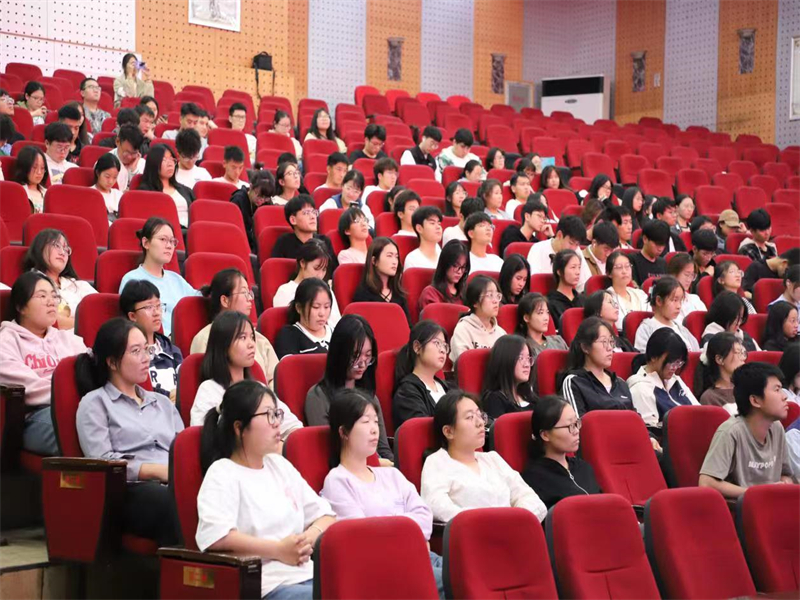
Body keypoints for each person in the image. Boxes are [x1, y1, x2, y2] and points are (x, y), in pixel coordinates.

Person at [196, 380, 335, 600]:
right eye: (269, 415)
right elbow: (217, 537)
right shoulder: (222, 472)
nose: (277, 423)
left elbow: (326, 516)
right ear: (239, 428)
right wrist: (278, 550)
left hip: (308, 575)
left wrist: (308, 538)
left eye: (277, 414)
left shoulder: (279, 465)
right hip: (266, 585)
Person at [320, 392, 445, 597]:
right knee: (457, 581)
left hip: (422, 555)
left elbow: (424, 515)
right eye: (365, 422)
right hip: (385, 566)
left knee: (478, 571)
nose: (374, 429)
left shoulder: (391, 474)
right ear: (343, 432)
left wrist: (391, 526)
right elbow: (363, 537)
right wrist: (409, 530)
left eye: (376, 422)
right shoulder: (338, 481)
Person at [75, 318, 181, 545]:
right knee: (174, 503)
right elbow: (102, 461)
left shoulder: (162, 402)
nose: (146, 358)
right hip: (131, 492)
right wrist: (158, 471)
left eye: (146, 349)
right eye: (136, 351)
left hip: (173, 480)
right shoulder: (95, 403)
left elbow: (184, 449)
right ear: (112, 362)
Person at [421, 391, 547, 523]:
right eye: (470, 417)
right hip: (472, 532)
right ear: (449, 431)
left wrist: (513, 521)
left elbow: (531, 499)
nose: (480, 423)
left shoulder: (492, 459)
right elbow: (437, 507)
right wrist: (486, 523)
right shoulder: (437, 462)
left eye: (480, 415)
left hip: (513, 528)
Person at [0, 272, 87, 455]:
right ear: (21, 306)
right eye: (42, 296)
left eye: (54, 296)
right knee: (89, 425)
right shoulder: (6, 342)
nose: (51, 302)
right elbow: (29, 388)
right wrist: (76, 399)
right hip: (34, 417)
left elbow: (91, 372)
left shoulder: (69, 339)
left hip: (80, 406)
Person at [304, 315, 394, 462]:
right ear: (339, 355)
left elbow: (383, 449)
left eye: (368, 356)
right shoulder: (318, 396)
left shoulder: (370, 397)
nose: (362, 364)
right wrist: (376, 463)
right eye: (355, 356)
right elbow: (332, 450)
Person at [699, 362, 796, 497]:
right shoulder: (730, 432)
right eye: (777, 389)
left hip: (771, 504)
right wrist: (756, 494)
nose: (784, 396)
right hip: (743, 506)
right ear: (755, 401)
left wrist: (785, 484)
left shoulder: (777, 427)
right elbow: (706, 483)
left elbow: (786, 474)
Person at [559, 318, 655, 447]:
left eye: (611, 342)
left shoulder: (620, 383)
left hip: (631, 444)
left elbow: (635, 419)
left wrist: (649, 437)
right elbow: (579, 427)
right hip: (601, 448)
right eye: (604, 342)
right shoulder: (574, 382)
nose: (610, 348)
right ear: (585, 347)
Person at [191, 269, 279, 384]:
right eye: (244, 293)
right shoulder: (204, 338)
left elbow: (275, 380)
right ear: (225, 300)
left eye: (249, 293)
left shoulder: (260, 339)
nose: (250, 298)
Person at [119, 217, 199, 337]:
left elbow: (199, 302)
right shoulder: (132, 280)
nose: (169, 246)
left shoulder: (176, 279)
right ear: (146, 243)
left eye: (172, 241)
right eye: (163, 239)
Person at [521, 396, 601, 508]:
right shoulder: (535, 478)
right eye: (570, 426)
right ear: (545, 435)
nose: (576, 431)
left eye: (576, 423)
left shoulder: (584, 467)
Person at [22, 229, 98, 330]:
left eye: (66, 249)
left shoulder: (81, 286)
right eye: (56, 245)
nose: (62, 253)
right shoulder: (30, 284)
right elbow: (49, 321)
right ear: (40, 248)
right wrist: (88, 324)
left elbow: (102, 313)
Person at [120, 280, 182, 399]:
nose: (157, 312)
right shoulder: (128, 354)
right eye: (149, 307)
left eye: (158, 306)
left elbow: (185, 383)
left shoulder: (171, 350)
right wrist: (167, 396)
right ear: (132, 316)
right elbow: (137, 389)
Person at [628, 328, 698, 431]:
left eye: (679, 362)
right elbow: (650, 431)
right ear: (653, 357)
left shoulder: (675, 380)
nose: (675, 367)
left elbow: (698, 410)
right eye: (671, 362)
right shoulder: (640, 388)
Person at [392, 321, 451, 429]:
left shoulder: (447, 387)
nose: (443, 350)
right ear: (417, 347)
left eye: (444, 345)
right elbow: (421, 431)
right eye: (437, 343)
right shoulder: (407, 392)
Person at [273, 239, 339, 320]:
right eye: (316, 268)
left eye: (324, 270)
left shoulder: (326, 291)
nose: (320, 275)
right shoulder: (285, 291)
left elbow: (336, 322)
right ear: (302, 263)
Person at [634, 276, 699, 353]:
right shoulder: (647, 329)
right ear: (659, 301)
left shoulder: (681, 329)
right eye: (674, 300)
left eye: (680, 301)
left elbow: (696, 352)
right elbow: (643, 356)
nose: (679, 306)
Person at [450, 275, 506, 363]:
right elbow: (464, 364)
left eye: (497, 295)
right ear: (475, 302)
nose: (496, 301)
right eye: (490, 295)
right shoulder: (463, 329)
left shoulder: (501, 333)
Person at [352, 237, 410, 323]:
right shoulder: (363, 294)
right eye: (389, 256)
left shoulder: (399, 294)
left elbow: (407, 326)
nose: (395, 262)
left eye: (396, 257)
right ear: (374, 261)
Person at [274, 278, 335, 359]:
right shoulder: (289, 335)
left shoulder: (336, 332)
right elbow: (288, 365)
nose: (322, 313)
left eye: (326, 307)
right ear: (299, 308)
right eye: (316, 307)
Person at [526, 216, 591, 291]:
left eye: (577, 244)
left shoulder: (576, 251)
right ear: (559, 235)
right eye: (571, 243)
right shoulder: (538, 249)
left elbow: (584, 284)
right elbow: (534, 283)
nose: (573, 248)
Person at [480, 335, 537, 420]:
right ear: (505, 360)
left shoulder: (530, 396)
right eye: (521, 358)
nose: (527, 365)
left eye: (528, 358)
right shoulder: (495, 399)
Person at [138, 143, 195, 228]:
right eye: (164, 160)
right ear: (154, 163)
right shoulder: (146, 192)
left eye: (172, 159)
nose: (170, 164)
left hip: (189, 232)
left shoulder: (186, 191)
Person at [271, 194, 335, 261]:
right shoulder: (284, 243)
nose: (313, 217)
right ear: (293, 220)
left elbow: (333, 267)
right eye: (306, 213)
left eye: (314, 212)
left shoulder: (324, 241)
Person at [697, 332, 747, 413]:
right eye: (738, 352)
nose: (743, 358)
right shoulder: (710, 398)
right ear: (719, 359)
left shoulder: (746, 387)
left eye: (743, 353)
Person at [230, 168, 276, 253]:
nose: (261, 200)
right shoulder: (238, 200)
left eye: (266, 198)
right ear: (251, 186)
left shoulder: (267, 203)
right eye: (258, 195)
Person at [418, 240, 469, 312]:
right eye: (455, 266)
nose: (459, 272)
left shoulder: (464, 293)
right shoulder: (430, 293)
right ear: (445, 263)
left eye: (463, 267)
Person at [516, 292, 569, 361]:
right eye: (540, 313)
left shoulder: (558, 341)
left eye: (547, 312)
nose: (546, 318)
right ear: (526, 318)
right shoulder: (524, 348)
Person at [605, 251, 649, 332]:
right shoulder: (607, 298)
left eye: (627, 266)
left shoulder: (640, 294)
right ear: (609, 273)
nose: (624, 271)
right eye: (619, 267)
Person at [547, 249, 585, 331]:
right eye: (573, 267)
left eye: (579, 267)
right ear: (559, 272)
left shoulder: (583, 299)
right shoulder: (550, 303)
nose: (578, 272)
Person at [667, 252, 707, 323]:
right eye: (686, 274)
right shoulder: (666, 301)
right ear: (673, 274)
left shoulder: (695, 299)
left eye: (692, 275)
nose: (689, 280)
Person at [630, 220, 669, 286]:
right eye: (657, 244)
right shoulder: (632, 260)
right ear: (645, 239)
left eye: (663, 245)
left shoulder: (663, 263)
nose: (660, 249)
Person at [12, 145, 48, 212]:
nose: (39, 172)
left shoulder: (48, 193)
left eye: (42, 168)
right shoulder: (17, 192)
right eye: (35, 167)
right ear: (25, 167)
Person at [110, 124, 145, 191]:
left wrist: (133, 171)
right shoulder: (106, 163)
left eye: (134, 153)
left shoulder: (143, 165)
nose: (129, 157)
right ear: (117, 141)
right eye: (126, 152)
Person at [91, 152, 124, 219]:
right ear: (98, 173)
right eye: (107, 177)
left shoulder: (119, 195)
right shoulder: (90, 193)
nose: (111, 181)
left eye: (115, 177)